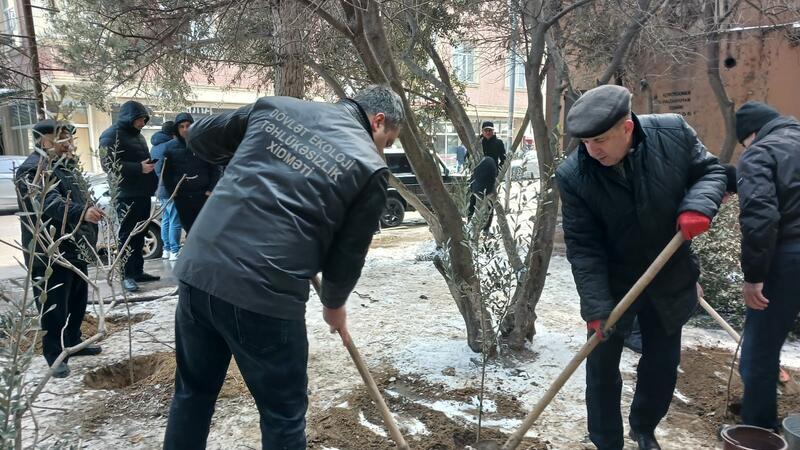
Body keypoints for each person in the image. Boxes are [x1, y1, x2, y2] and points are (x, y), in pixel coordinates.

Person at [163, 85, 404, 449]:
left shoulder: (276, 109)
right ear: (378, 121)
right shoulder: (370, 167)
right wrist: (335, 305)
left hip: (200, 271)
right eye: (386, 141)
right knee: (283, 415)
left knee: (192, 395)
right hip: (264, 293)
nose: (382, 150)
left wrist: (255, 151)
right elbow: (348, 252)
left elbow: (200, 135)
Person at [556, 85, 726, 450]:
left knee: (662, 364)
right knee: (601, 366)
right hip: (613, 282)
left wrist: (698, 206)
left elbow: (712, 173)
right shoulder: (574, 174)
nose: (591, 150)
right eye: (584, 142)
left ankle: (644, 427)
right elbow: (584, 247)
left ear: (627, 127)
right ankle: (606, 439)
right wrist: (598, 309)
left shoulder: (673, 132)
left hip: (669, 272)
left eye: (599, 139)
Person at [16, 120, 104, 378]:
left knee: (77, 300)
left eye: (70, 139)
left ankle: (73, 343)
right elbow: (48, 204)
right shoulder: (32, 170)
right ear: (45, 141)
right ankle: (54, 355)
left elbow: (79, 196)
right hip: (49, 250)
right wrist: (82, 213)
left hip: (74, 245)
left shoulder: (64, 167)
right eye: (64, 139)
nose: (70, 145)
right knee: (54, 305)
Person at [734, 101, 800, 431]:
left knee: (759, 352)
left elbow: (760, 219)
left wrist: (754, 277)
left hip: (788, 259)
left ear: (752, 134)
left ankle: (758, 432)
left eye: (744, 143)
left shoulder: (760, 153)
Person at [99, 100, 160, 292]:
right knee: (127, 236)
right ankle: (126, 276)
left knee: (140, 234)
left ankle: (137, 271)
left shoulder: (138, 136)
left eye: (144, 119)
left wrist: (148, 166)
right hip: (125, 194)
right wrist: (139, 168)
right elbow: (109, 166)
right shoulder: (110, 136)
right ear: (130, 118)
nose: (143, 123)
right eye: (140, 119)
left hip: (141, 192)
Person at [162, 112, 221, 236]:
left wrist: (211, 189)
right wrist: (173, 192)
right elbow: (166, 173)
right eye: (181, 126)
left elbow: (215, 168)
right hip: (183, 197)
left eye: (188, 125)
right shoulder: (170, 148)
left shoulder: (203, 145)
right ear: (177, 129)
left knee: (204, 230)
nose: (185, 129)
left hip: (203, 195)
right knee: (189, 229)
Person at [151, 121, 182, 261]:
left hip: (160, 189)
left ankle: (166, 249)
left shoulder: (154, 147)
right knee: (175, 220)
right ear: (173, 133)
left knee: (166, 220)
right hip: (171, 189)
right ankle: (175, 251)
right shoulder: (170, 146)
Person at [466, 155, 497, 232]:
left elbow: (473, 177)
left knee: (473, 206)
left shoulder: (481, 162)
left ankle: (471, 224)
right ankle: (486, 228)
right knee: (489, 208)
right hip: (487, 189)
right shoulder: (489, 161)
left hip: (478, 188)